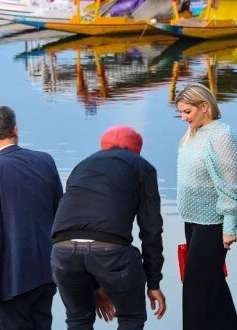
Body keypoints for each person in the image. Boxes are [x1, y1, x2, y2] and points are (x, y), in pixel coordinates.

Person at [51, 125, 166, 330]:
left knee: (78, 320)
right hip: (109, 253)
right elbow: (151, 230)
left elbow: (79, 223)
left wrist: (95, 284)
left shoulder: (82, 166)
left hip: (63, 251)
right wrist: (154, 283)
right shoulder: (141, 166)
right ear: (136, 150)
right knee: (130, 318)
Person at [0, 106, 64, 330]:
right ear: (15, 130)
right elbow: (61, 215)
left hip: (13, 281)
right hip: (47, 271)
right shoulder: (45, 161)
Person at [175, 83, 237, 330]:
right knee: (213, 284)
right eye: (182, 113)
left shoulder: (222, 136)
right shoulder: (193, 134)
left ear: (204, 106)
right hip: (193, 221)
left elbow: (232, 184)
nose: (184, 118)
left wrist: (230, 226)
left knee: (196, 287)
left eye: (188, 112)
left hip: (214, 224)